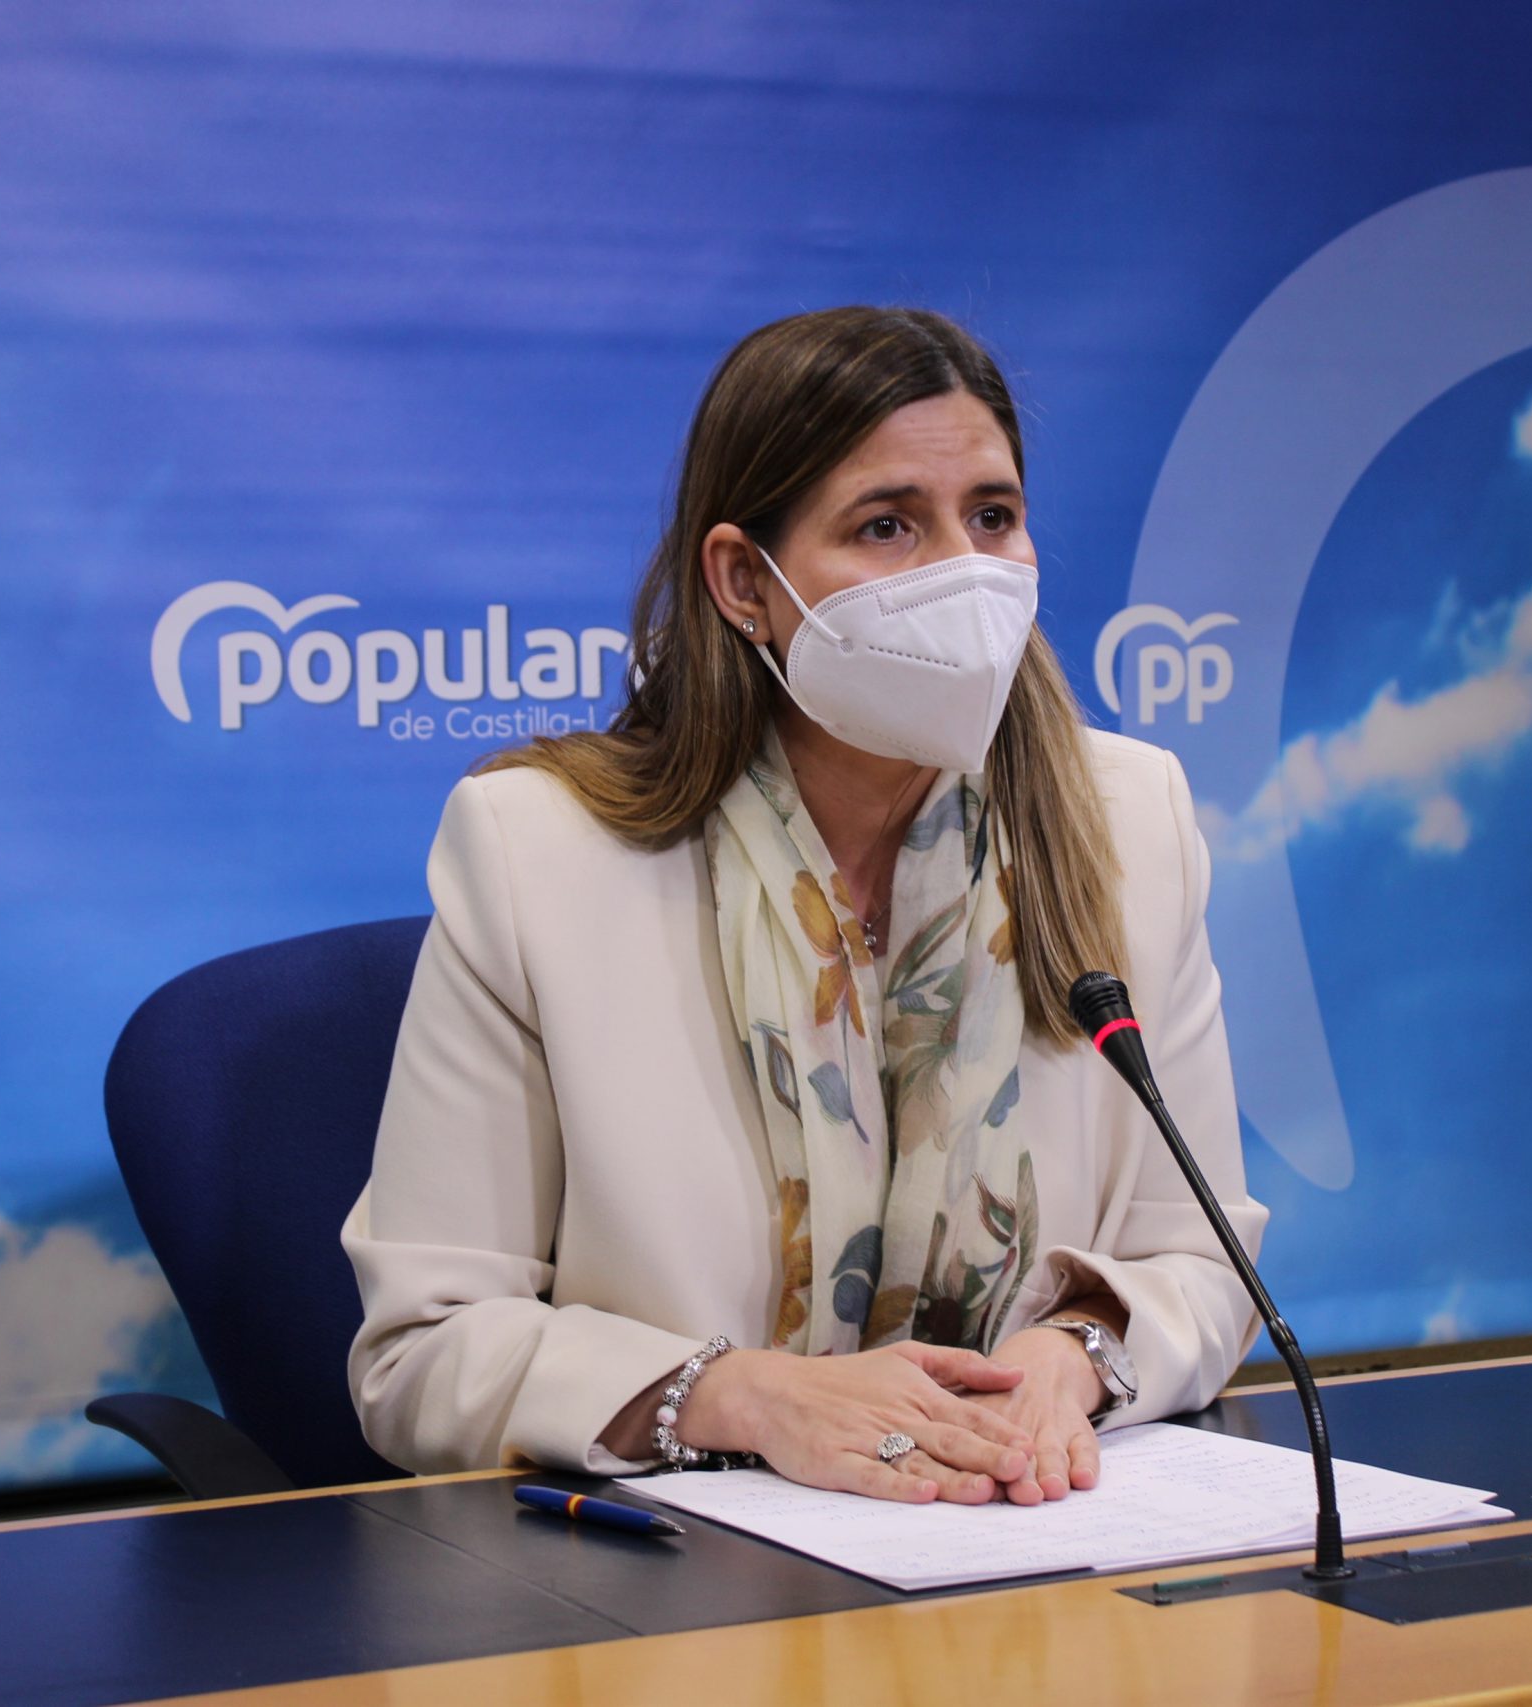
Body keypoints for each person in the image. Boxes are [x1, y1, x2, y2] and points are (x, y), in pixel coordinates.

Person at [342, 305, 1265, 1507]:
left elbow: (1198, 1255)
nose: (962, 573)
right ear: (743, 582)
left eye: (992, 516)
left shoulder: (1125, 819)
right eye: (887, 526)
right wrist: (740, 1396)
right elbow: (423, 1353)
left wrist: (1074, 1353)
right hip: (689, 1608)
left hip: (1024, 1546)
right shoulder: (541, 854)